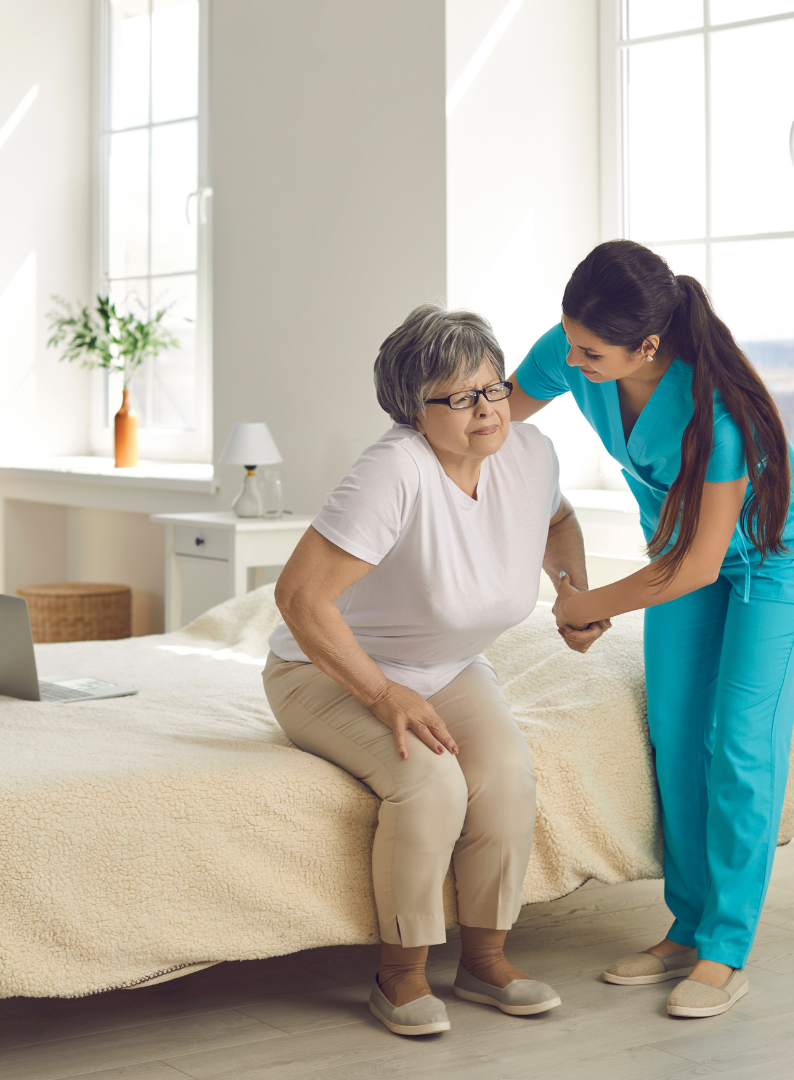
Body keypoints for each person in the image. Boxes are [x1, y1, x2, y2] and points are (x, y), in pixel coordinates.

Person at [508, 239, 794, 1019]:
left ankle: (725, 949)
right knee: (677, 735)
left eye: (592, 352)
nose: (572, 359)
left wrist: (593, 604)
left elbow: (697, 565)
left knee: (741, 742)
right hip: (680, 557)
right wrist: (564, 577)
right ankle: (685, 929)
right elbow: (496, 425)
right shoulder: (571, 347)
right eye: (569, 339)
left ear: (646, 346)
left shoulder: (719, 414)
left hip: (771, 563)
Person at [264, 303, 606, 1037]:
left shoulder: (529, 452)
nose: (486, 410)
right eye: (459, 397)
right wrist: (382, 693)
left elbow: (557, 521)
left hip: (445, 666)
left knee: (508, 777)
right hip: (328, 669)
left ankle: (486, 962)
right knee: (428, 782)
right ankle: (401, 976)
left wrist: (571, 591)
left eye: (491, 389)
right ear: (412, 410)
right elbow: (298, 597)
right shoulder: (393, 471)